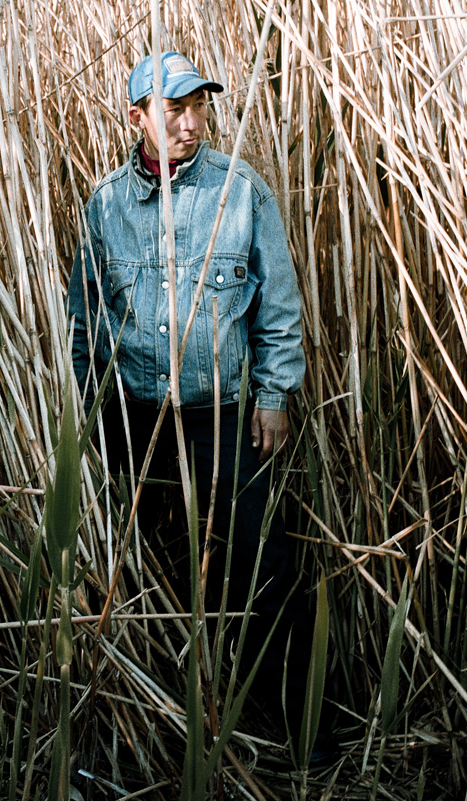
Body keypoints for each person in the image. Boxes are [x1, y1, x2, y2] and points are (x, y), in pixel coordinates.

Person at [68, 50, 317, 741]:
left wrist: (273, 394)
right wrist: (93, 410)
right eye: (174, 109)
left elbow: (278, 304)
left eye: (198, 106)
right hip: (137, 419)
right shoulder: (107, 204)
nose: (189, 122)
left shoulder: (242, 191)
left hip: (224, 416)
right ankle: (150, 724)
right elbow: (85, 318)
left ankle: (299, 730)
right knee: (137, 566)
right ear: (138, 118)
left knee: (260, 570)